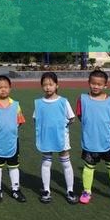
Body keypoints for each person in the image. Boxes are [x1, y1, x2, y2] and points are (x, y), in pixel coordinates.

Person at [77, 70, 110, 205]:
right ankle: (86, 191)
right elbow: (80, 115)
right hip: (90, 139)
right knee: (89, 166)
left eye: (99, 84)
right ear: (88, 83)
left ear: (105, 85)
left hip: (108, 139)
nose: (96, 86)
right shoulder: (82, 99)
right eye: (93, 83)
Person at [33, 71, 78, 204]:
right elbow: (36, 119)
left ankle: (70, 190)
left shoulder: (63, 101)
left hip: (61, 137)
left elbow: (72, 118)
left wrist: (61, 127)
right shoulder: (39, 103)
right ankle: (46, 190)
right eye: (45, 85)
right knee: (46, 163)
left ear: (57, 85)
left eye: (51, 84)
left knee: (66, 163)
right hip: (46, 137)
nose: (48, 87)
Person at [0, 75, 26, 203]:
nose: (3, 89)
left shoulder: (16, 105)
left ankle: (15, 189)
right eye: (0, 87)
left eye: (6, 87)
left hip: (12, 142)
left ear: (10, 88)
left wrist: (11, 130)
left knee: (13, 166)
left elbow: (20, 121)